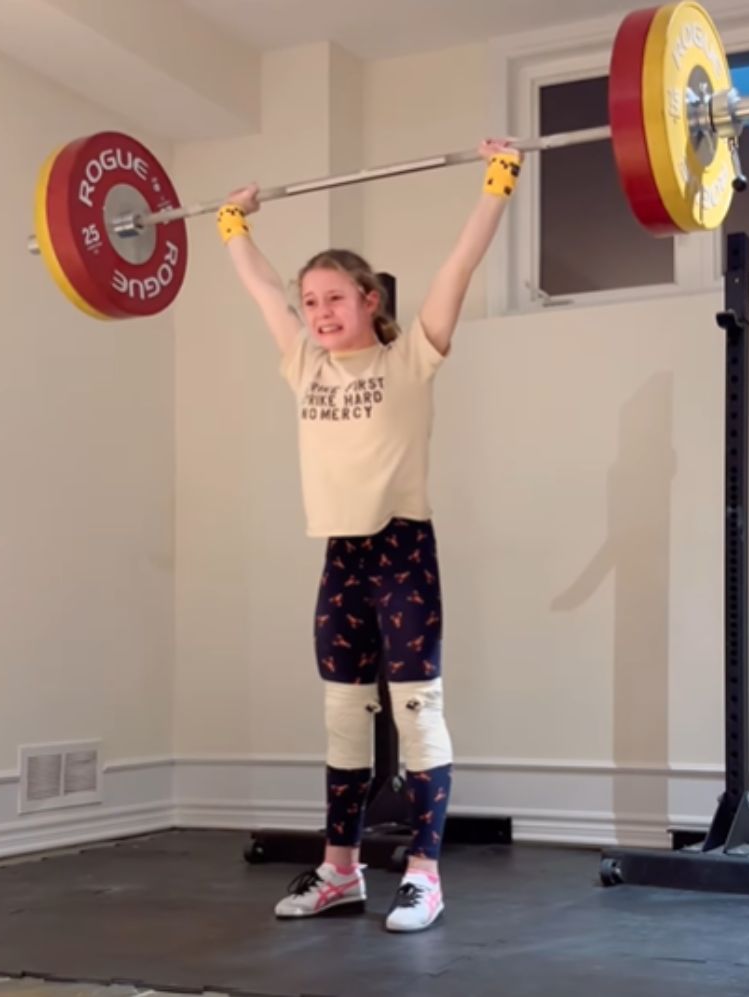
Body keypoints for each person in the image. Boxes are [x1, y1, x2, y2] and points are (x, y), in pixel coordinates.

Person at [216, 139, 522, 933]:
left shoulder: (410, 358)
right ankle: (341, 870)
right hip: (341, 557)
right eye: (310, 301)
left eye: (334, 299)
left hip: (402, 552)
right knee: (345, 717)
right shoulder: (302, 366)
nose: (319, 313)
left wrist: (497, 182)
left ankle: (424, 872)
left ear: (369, 301)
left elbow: (458, 266)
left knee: (416, 714)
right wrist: (231, 225)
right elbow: (257, 288)